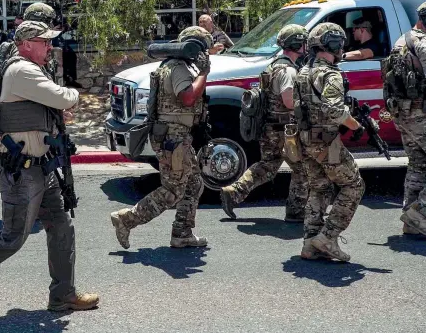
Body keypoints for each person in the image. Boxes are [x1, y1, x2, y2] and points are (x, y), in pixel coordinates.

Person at [0, 20, 99, 315]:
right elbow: (63, 97)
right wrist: (72, 95)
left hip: (42, 168)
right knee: (12, 238)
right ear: (26, 44)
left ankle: (63, 295)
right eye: (44, 41)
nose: (50, 46)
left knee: (61, 226)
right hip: (20, 172)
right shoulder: (22, 69)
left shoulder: (32, 69)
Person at [110, 26, 212, 249]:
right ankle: (127, 219)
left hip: (176, 137)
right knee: (173, 189)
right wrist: (204, 74)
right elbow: (186, 98)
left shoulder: (171, 65)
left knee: (194, 184)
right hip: (173, 138)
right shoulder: (178, 69)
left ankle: (182, 233)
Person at [221, 24, 310, 222]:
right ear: (295, 44)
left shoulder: (273, 66)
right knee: (302, 169)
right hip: (286, 130)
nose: (306, 46)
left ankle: (233, 191)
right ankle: (296, 211)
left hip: (270, 127)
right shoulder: (288, 70)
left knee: (268, 166)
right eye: (303, 42)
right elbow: (288, 101)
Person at [294, 23, 366, 261]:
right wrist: (356, 126)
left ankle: (310, 243)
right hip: (326, 141)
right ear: (333, 44)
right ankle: (328, 236)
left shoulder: (303, 71)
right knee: (354, 185)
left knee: (319, 187)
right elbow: (334, 110)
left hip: (304, 139)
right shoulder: (330, 73)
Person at [387, 2, 426, 236]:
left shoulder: (402, 40)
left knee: (418, 166)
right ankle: (417, 213)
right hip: (420, 113)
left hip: (403, 113)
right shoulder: (422, 43)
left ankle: (412, 224)